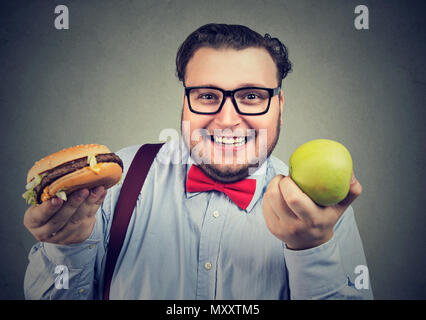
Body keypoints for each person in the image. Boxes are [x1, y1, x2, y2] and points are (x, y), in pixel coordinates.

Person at [23, 23, 373, 299]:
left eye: (251, 96)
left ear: (280, 105)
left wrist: (311, 251)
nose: (227, 119)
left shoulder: (320, 211)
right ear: (185, 101)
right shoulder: (111, 184)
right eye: (207, 96)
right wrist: (66, 250)